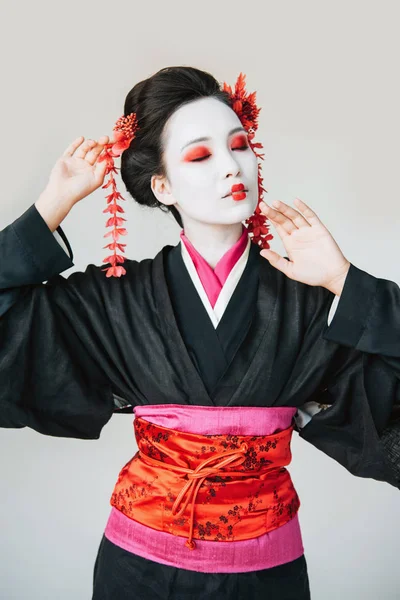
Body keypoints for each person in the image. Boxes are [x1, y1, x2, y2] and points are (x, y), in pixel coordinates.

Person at [0, 66, 399, 600]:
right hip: (138, 569)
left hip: (268, 571)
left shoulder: (309, 301)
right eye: (200, 155)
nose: (232, 166)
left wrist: (344, 281)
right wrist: (52, 206)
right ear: (161, 186)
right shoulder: (116, 297)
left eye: (239, 146)